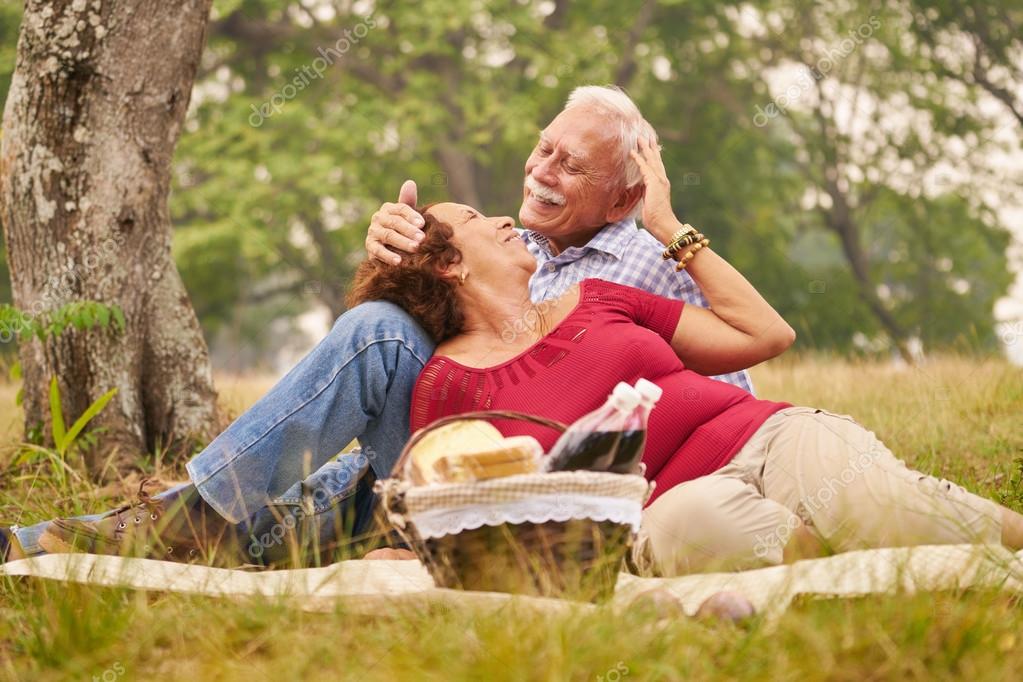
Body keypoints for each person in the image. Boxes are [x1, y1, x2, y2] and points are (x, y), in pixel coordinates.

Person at [1, 85, 757, 567]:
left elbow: (732, 374)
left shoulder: (643, 256)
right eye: (542, 148)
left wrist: (672, 230)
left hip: (553, 494)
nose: (537, 174)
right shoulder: (524, 253)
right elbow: (445, 347)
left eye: (570, 166)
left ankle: (183, 517)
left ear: (623, 198)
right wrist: (397, 261)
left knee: (378, 339)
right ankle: (82, 540)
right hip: (449, 466)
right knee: (337, 446)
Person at [344, 139, 1023, 575]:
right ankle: (848, 574)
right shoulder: (446, 385)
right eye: (472, 220)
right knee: (702, 529)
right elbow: (447, 509)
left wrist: (669, 229)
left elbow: (764, 334)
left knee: (886, 512)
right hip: (663, 508)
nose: (502, 218)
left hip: (767, 438)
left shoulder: (598, 295)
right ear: (449, 266)